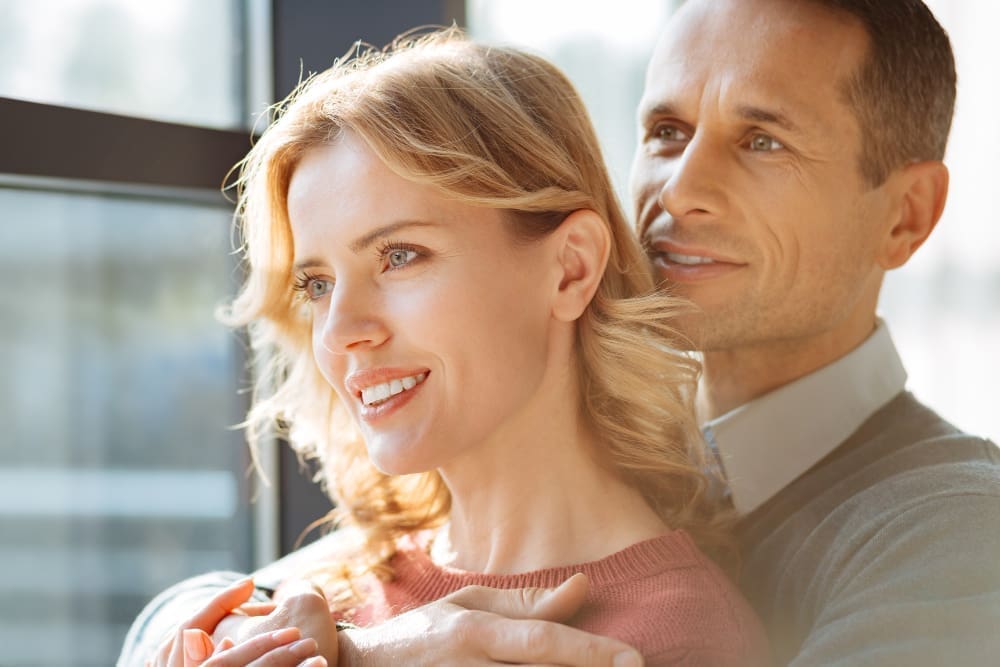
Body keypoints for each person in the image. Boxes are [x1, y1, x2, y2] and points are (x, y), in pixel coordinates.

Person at [121, 0, 1000, 665]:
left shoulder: (956, 528)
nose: (679, 189)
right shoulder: (577, 456)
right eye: (665, 130)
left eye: (763, 141)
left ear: (907, 215)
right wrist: (212, 631)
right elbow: (231, 605)